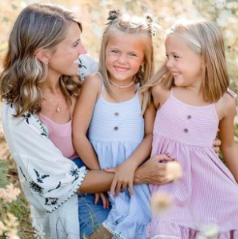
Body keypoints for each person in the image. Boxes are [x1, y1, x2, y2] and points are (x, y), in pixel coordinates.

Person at [0, 4, 173, 239]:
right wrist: (137, 174)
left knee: (159, 223)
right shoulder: (18, 113)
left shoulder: (82, 69)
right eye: (74, 45)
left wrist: (188, 133)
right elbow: (60, 183)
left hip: (108, 166)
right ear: (44, 54)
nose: (83, 50)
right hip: (72, 190)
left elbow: (136, 97)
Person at [142, 19, 238, 238]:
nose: (168, 64)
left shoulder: (224, 103)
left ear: (205, 59)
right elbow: (147, 136)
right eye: (167, 56)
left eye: (176, 57)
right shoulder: (162, 92)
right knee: (166, 222)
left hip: (211, 184)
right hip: (171, 184)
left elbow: (229, 147)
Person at [72, 10, 156, 239]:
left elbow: (150, 135)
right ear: (104, 51)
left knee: (142, 222)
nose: (121, 60)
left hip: (134, 172)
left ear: (144, 60)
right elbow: (79, 134)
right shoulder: (95, 83)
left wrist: (130, 165)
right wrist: (98, 176)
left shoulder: (145, 91)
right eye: (115, 52)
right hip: (99, 167)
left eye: (132, 55)